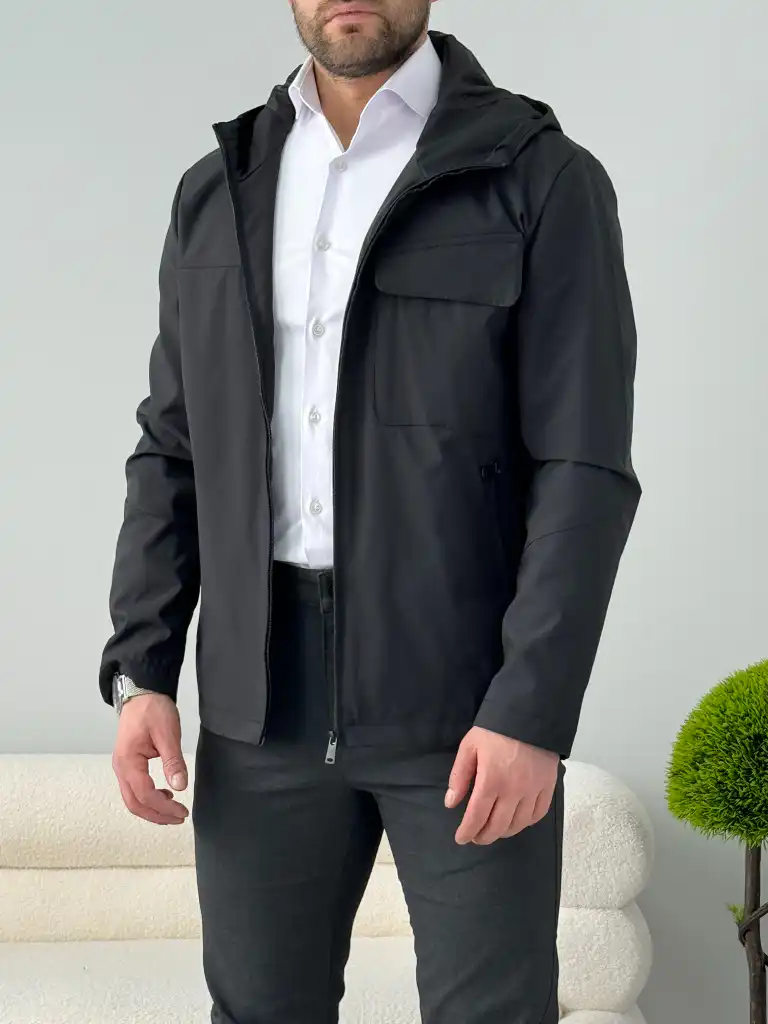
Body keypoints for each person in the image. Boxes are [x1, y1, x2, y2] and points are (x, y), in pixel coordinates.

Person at [99, 2, 642, 1021]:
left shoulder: (540, 178)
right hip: (259, 707)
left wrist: (530, 708)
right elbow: (174, 446)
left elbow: (584, 468)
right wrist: (143, 668)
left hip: (465, 700)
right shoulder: (219, 188)